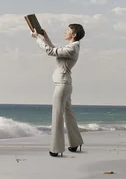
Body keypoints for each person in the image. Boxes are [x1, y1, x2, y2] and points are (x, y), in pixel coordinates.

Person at [31, 24, 85, 157]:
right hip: (65, 84)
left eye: (68, 31)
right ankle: (75, 142)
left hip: (62, 84)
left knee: (57, 115)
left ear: (74, 35)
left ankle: (56, 148)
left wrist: (37, 38)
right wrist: (45, 36)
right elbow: (55, 49)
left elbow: (50, 51)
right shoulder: (72, 47)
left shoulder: (72, 48)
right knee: (68, 114)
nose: (65, 32)